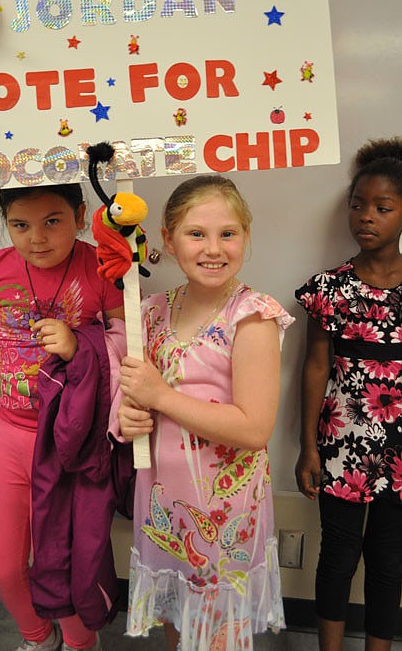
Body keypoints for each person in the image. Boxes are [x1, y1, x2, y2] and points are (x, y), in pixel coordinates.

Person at [116, 174, 293, 651]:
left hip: (222, 514)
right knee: (180, 622)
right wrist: (128, 417)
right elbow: (134, 396)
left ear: (245, 237)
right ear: (169, 240)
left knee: (216, 634)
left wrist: (160, 397)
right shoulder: (150, 312)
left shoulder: (251, 317)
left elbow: (254, 429)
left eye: (227, 233)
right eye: (196, 233)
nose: (213, 248)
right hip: (164, 506)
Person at [0, 183, 125, 651]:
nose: (36, 238)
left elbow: (129, 349)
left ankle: (81, 643)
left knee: (63, 563)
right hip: (8, 432)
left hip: (71, 441)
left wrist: (77, 344)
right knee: (0, 565)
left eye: (52, 222)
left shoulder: (101, 267)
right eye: (20, 225)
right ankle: (38, 637)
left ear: (80, 216)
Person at [294, 137, 402, 651]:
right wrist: (308, 448)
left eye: (383, 207)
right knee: (338, 555)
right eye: (358, 205)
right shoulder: (330, 289)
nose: (366, 217)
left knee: (390, 559)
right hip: (342, 443)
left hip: (400, 448)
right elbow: (315, 367)